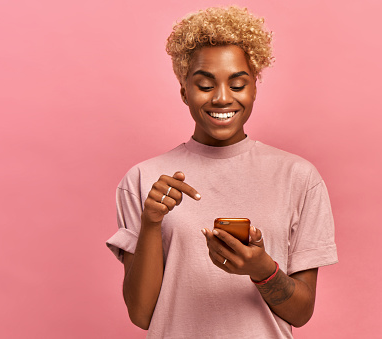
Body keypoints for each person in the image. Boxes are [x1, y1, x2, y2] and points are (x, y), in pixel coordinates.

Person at [106, 6, 338, 338]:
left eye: (238, 84)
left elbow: (300, 313)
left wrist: (261, 270)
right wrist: (151, 222)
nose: (222, 98)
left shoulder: (298, 177)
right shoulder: (143, 180)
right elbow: (142, 315)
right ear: (184, 90)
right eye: (204, 85)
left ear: (255, 87)